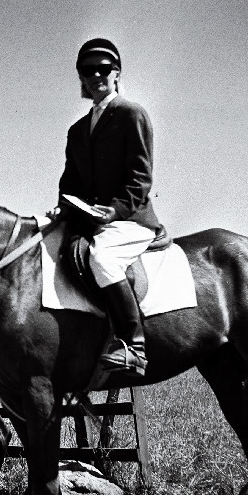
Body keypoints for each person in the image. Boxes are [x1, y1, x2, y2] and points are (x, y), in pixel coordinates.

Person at [58, 38, 160, 378]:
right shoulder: (76, 130)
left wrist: (113, 211)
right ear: (82, 80)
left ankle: (134, 345)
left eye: (104, 69)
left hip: (129, 218)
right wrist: (66, 207)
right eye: (88, 71)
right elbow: (69, 182)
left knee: (103, 258)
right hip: (90, 221)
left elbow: (141, 177)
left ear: (116, 74)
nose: (97, 76)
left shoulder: (132, 114)